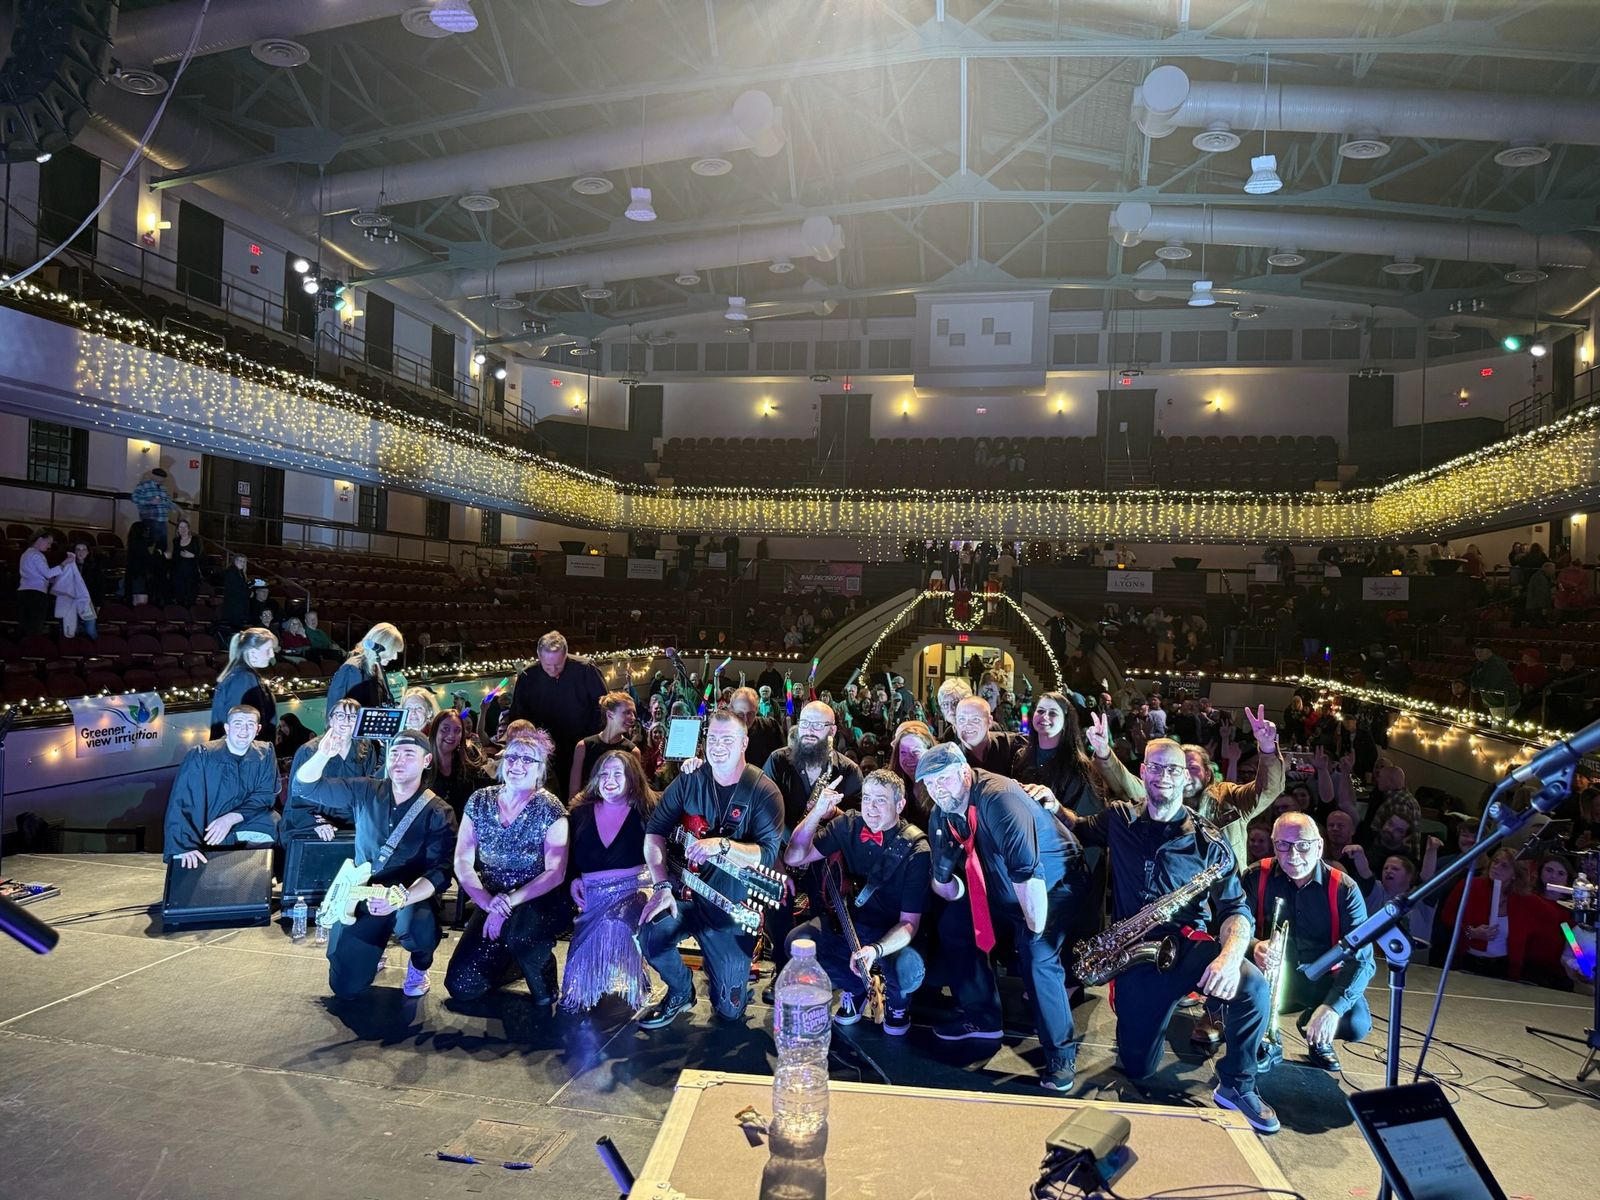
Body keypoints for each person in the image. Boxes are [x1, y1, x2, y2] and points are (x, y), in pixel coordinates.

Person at [1059, 737, 1278, 1133]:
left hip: (1187, 946)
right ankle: (1152, 1025)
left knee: (1253, 985)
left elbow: (1236, 910)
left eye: (1173, 769)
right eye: (1156, 767)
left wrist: (1230, 957)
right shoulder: (1119, 818)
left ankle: (1237, 1084)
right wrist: (1047, 804)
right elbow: (1077, 826)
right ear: (1143, 771)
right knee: (1138, 1068)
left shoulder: (1210, 842)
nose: (1163, 775)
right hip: (1135, 955)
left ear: (1185, 777)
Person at [920, 742, 1083, 1090]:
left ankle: (1060, 1053)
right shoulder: (941, 814)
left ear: (965, 772)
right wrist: (942, 873)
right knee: (954, 926)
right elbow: (948, 892)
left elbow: (1029, 878)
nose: (937, 789)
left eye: (944, 778)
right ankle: (982, 1017)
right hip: (999, 884)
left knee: (1037, 953)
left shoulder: (999, 799)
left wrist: (1028, 932)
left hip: (1053, 883)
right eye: (930, 783)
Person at [637, 711, 785, 1028]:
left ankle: (722, 972)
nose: (717, 746)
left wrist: (723, 845)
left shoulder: (764, 791)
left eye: (727, 739)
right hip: (685, 895)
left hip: (729, 908)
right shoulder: (690, 778)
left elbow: (767, 855)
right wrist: (661, 886)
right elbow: (654, 833)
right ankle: (680, 991)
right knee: (651, 932)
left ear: (744, 743)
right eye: (712, 739)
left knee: (729, 1012)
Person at [295, 728, 458, 998]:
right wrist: (323, 755)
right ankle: (373, 952)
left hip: (408, 896)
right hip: (364, 892)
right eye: (394, 753)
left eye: (409, 754)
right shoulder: (366, 790)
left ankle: (419, 966)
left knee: (419, 929)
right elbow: (305, 787)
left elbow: (441, 871)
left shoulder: (439, 811)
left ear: (426, 761)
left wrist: (401, 898)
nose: (399, 760)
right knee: (345, 987)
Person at [784, 767, 930, 1033]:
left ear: (900, 805)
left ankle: (897, 1001)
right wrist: (817, 812)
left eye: (880, 800)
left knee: (907, 969)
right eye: (867, 798)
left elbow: (910, 923)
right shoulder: (847, 825)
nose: (871, 808)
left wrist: (875, 950)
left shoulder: (917, 850)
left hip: (892, 936)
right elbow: (794, 856)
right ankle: (858, 988)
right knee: (798, 943)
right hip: (850, 927)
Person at [444, 725, 571, 1010]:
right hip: (492, 895)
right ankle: (515, 961)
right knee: (461, 987)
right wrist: (488, 904)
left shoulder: (550, 808)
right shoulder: (480, 801)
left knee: (521, 939)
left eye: (527, 759)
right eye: (512, 757)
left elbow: (555, 873)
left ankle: (540, 969)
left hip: (537, 898)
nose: (517, 765)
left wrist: (506, 904)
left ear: (540, 769)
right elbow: (462, 861)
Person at [1242, 813, 1374, 1071]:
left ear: (1319, 846)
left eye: (1303, 845)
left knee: (1356, 1023)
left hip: (1321, 979)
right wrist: (1254, 945)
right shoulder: (1255, 876)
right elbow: (1232, 927)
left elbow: (1363, 960)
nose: (1293, 855)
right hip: (1268, 976)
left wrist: (1332, 1009)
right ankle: (1260, 1035)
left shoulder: (1345, 889)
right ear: (1274, 844)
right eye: (1283, 845)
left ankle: (1314, 1027)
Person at [1015, 692, 1107, 991]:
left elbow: (1089, 826)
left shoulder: (1081, 767)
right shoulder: (1022, 758)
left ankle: (1069, 982)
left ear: (1067, 722)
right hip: (1034, 857)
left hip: (1068, 862)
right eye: (1040, 711)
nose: (1044, 718)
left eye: (1053, 713)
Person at [563, 749, 654, 1011]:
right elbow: (567, 854)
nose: (609, 780)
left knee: (618, 924)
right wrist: (573, 878)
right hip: (591, 898)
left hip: (631, 895)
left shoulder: (647, 811)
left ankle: (633, 975)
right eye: (604, 774)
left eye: (617, 774)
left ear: (632, 778)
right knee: (576, 992)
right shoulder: (580, 812)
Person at [164, 705, 281, 866]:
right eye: (238, 724)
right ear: (227, 728)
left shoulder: (265, 753)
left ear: (258, 729)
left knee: (275, 823)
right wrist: (184, 846)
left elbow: (265, 795)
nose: (244, 730)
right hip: (210, 831)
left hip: (246, 821)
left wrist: (230, 819)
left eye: (250, 724)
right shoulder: (202, 755)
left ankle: (261, 870)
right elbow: (184, 801)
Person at [1440, 848, 1569, 986]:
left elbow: (1559, 921)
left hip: (1504, 968)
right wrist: (1470, 932)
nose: (1496, 867)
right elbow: (1447, 917)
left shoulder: (1525, 899)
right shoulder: (1470, 885)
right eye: (1495, 861)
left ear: (1515, 874)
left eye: (1504, 866)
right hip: (1468, 961)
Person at [506, 631, 606, 801]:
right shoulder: (528, 676)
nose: (553, 670)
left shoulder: (586, 669)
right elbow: (519, 717)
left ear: (566, 655)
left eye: (558, 665)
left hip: (581, 746)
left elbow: (602, 708)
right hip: (543, 752)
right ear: (539, 656)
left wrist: (590, 740)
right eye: (547, 666)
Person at [282, 699, 375, 840]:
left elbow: (369, 789)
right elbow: (297, 795)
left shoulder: (366, 749)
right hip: (315, 818)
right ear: (331, 720)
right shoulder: (309, 751)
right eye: (340, 715)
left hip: (354, 820)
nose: (346, 721)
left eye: (353, 716)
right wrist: (317, 823)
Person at [209, 627, 279, 742]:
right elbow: (241, 725)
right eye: (268, 650)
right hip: (246, 750)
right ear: (252, 652)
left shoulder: (241, 676)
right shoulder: (244, 678)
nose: (272, 655)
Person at [569, 691, 639, 796]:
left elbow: (633, 793)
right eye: (627, 712)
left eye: (633, 713)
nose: (633, 718)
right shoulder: (583, 747)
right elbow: (573, 794)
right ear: (610, 715)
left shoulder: (633, 751)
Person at [427, 707, 491, 819]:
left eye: (457, 730)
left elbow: (487, 791)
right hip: (433, 827)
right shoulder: (421, 763)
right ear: (434, 731)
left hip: (465, 825)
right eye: (445, 729)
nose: (451, 735)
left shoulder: (470, 757)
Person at [327, 622, 405, 709]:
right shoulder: (353, 670)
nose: (395, 657)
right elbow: (342, 711)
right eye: (392, 651)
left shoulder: (375, 667)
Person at [953, 694, 1023, 776]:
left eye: (975, 719)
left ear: (989, 721)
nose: (968, 725)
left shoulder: (1010, 744)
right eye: (962, 719)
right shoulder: (952, 759)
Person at [17, 529, 62, 636]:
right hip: (36, 595)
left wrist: (52, 580)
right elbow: (48, 573)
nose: (49, 546)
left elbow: (37, 575)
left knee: (24, 626)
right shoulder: (36, 555)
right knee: (35, 627)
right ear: (40, 539)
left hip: (23, 593)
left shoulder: (26, 554)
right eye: (48, 542)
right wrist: (64, 564)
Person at [729, 685, 785, 768]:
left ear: (756, 710)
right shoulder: (725, 732)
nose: (746, 719)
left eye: (750, 714)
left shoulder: (771, 727)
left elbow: (780, 759)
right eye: (740, 714)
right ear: (732, 711)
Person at [49, 547, 97, 640]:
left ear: (88, 552)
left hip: (87, 601)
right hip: (69, 600)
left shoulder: (94, 568)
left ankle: (95, 646)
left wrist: (98, 603)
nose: (81, 552)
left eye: (84, 549)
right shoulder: (67, 565)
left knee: (90, 630)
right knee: (72, 629)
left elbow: (97, 587)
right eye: (78, 549)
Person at [1466, 643, 1519, 721]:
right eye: (1477, 652)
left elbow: (1489, 683)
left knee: (1499, 726)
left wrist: (1475, 687)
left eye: (1481, 651)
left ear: (1489, 651)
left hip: (1503, 702)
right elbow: (1473, 677)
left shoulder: (1496, 664)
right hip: (1496, 701)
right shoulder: (1482, 663)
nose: (1478, 654)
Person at [131, 466, 175, 553]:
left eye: (163, 478)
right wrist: (149, 502)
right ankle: (149, 556)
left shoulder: (163, 488)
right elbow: (134, 498)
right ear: (154, 476)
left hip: (163, 518)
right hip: (150, 517)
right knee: (153, 540)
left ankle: (159, 558)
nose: (162, 480)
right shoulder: (143, 485)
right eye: (160, 477)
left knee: (162, 542)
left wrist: (176, 508)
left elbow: (168, 501)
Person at [165, 519, 202, 608]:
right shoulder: (176, 541)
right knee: (179, 599)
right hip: (178, 575)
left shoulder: (195, 540)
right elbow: (175, 558)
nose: (183, 529)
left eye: (185, 527)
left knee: (190, 600)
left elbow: (202, 557)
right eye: (180, 527)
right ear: (177, 529)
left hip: (191, 575)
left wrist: (192, 555)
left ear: (188, 529)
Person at [220, 553, 252, 633]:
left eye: (243, 561)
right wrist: (248, 591)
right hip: (234, 606)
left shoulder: (239, 573)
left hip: (237, 605)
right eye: (239, 560)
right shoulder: (232, 572)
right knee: (235, 628)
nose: (242, 563)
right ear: (234, 561)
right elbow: (238, 588)